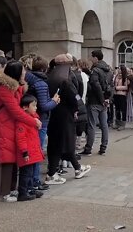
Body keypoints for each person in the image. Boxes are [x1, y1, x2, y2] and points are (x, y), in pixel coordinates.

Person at [0, 60, 39, 202]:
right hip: (3, 127)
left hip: (11, 126)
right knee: (5, 160)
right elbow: (16, 111)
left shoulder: (14, 87)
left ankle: (11, 190)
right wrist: (33, 121)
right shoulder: (4, 89)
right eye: (23, 71)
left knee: (12, 161)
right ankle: (2, 193)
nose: (25, 73)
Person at [46, 54, 91, 184]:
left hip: (54, 114)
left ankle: (73, 169)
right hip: (65, 116)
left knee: (56, 144)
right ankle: (53, 174)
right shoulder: (65, 79)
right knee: (66, 143)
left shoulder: (50, 77)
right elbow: (74, 97)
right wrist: (77, 109)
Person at [22, 54, 60, 191]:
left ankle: (31, 180)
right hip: (40, 120)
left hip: (30, 118)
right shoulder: (41, 83)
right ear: (45, 69)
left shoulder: (29, 79)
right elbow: (44, 106)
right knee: (36, 151)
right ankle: (35, 180)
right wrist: (54, 101)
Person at [80, 50, 112, 156]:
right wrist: (107, 98)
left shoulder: (96, 69)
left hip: (95, 100)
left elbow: (95, 84)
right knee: (104, 125)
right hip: (105, 101)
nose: (90, 59)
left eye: (92, 57)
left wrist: (102, 98)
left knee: (92, 125)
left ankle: (88, 148)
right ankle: (104, 147)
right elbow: (110, 85)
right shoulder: (109, 69)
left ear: (96, 58)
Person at [16, 95, 44, 201]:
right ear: (25, 107)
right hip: (27, 152)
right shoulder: (22, 122)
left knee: (30, 173)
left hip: (32, 151)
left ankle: (30, 189)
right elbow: (21, 139)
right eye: (33, 105)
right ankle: (23, 192)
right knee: (25, 173)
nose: (36, 108)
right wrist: (24, 152)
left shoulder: (33, 119)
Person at [112, 65, 129, 130]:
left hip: (122, 95)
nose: (119, 70)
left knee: (122, 110)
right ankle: (117, 123)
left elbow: (126, 87)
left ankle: (123, 124)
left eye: (120, 69)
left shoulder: (125, 78)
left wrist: (117, 88)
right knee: (117, 109)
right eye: (118, 69)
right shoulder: (116, 76)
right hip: (116, 95)